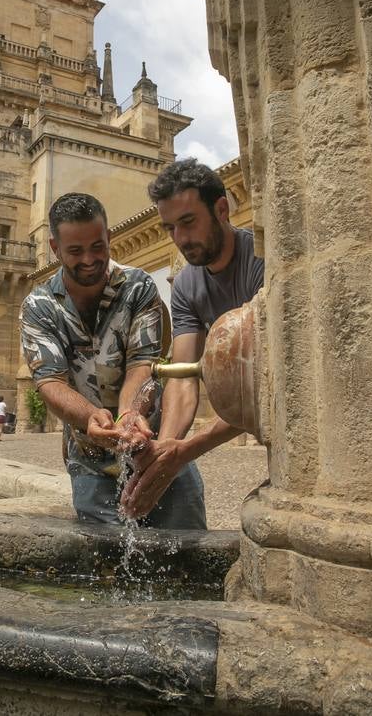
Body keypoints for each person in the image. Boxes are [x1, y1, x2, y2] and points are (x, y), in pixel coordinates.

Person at [19, 192, 206, 528]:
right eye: (75, 251)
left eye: (98, 246)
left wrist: (129, 416)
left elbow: (141, 363)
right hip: (90, 460)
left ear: (108, 237)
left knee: (187, 544)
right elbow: (50, 382)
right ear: (55, 248)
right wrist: (91, 417)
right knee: (105, 557)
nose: (89, 259)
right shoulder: (39, 306)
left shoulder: (138, 287)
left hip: (155, 444)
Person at [120, 158, 265, 520]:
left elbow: (267, 382)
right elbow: (183, 377)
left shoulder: (260, 262)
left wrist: (186, 451)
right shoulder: (185, 284)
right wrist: (163, 452)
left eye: (188, 222)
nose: (181, 239)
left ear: (221, 210)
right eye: (170, 228)